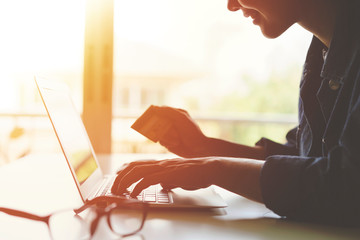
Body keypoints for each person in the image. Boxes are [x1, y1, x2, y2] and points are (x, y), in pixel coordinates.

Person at [112, 0, 360, 225]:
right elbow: (306, 158)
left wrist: (214, 169)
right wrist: (205, 149)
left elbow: (346, 186)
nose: (231, 5)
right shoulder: (322, 51)